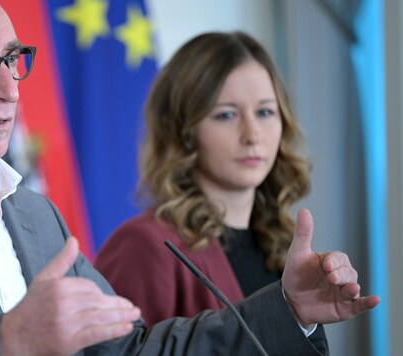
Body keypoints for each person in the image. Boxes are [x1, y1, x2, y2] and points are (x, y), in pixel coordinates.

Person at [0, 1, 379, 355]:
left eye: (12, 60)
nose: (8, 87)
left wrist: (289, 309)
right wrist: (11, 343)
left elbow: (134, 349)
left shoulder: (34, 212)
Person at [94, 31, 313, 328]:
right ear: (182, 131)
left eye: (264, 112)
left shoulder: (281, 245)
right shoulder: (143, 247)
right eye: (226, 115)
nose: (252, 135)